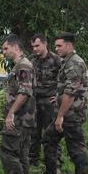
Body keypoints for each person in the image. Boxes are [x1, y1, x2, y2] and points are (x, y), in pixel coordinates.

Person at [41, 32, 88, 174]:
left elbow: (71, 92)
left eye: (59, 46)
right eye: (55, 46)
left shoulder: (74, 63)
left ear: (69, 45)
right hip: (67, 112)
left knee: (77, 151)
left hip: (72, 115)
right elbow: (66, 90)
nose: (56, 49)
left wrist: (60, 116)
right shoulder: (67, 62)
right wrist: (58, 97)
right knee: (48, 139)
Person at [1, 36, 36, 174]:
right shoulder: (21, 65)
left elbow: (24, 92)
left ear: (15, 47)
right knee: (21, 156)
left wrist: (11, 113)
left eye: (6, 48)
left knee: (7, 153)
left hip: (19, 119)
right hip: (24, 119)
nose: (4, 52)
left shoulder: (23, 65)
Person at [29, 34, 62, 165]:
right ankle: (33, 161)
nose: (35, 49)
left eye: (37, 46)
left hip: (49, 102)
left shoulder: (56, 60)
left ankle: (54, 162)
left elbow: (67, 79)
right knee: (33, 133)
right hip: (35, 102)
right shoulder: (32, 60)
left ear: (45, 44)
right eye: (33, 47)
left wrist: (59, 95)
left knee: (51, 133)